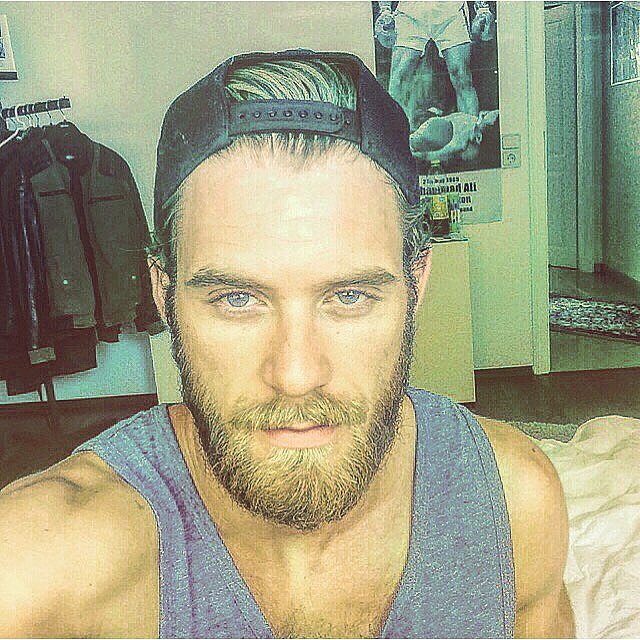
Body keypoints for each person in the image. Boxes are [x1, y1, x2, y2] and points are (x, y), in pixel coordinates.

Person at [0, 50, 574, 638]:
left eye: (349, 295)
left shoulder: (515, 506)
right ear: (163, 293)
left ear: (416, 285)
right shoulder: (39, 571)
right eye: (237, 299)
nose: (296, 375)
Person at [376, 1, 481, 131]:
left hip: (451, 10)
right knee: (399, 79)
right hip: (410, 11)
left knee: (462, 76)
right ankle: (395, 137)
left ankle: (470, 135)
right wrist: (385, 9)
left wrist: (483, 8)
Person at [410, 107, 500, 164]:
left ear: (479, 137)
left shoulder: (460, 144)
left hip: (421, 146)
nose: (483, 113)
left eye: (483, 118)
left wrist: (414, 155)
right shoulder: (471, 120)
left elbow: (431, 156)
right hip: (424, 131)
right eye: (484, 115)